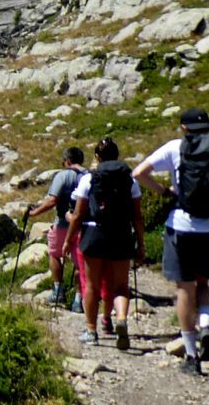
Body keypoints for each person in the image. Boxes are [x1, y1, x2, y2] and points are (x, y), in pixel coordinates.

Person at [133, 107, 209, 376]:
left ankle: (190, 353)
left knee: (184, 289)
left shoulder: (174, 147)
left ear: (184, 128)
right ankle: (207, 325)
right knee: (204, 283)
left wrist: (165, 191)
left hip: (183, 226)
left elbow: (139, 173)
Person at [67, 137, 144, 350]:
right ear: (117, 155)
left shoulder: (89, 179)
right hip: (121, 233)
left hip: (94, 233)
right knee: (120, 285)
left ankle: (91, 330)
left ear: (97, 157)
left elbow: (78, 214)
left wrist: (69, 240)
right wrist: (141, 243)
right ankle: (120, 319)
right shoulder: (131, 180)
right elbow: (137, 216)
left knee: (91, 285)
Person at [24, 146, 86, 309]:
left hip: (62, 224)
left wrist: (34, 213)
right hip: (82, 226)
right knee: (80, 263)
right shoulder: (89, 176)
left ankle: (58, 291)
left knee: (55, 254)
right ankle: (79, 299)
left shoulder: (62, 176)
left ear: (67, 161)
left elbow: (52, 201)